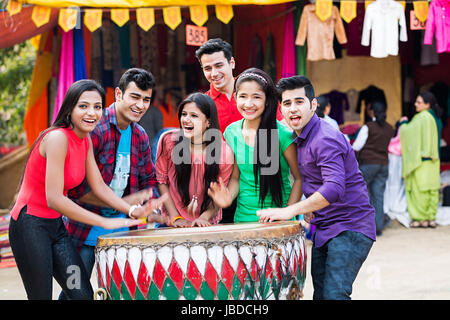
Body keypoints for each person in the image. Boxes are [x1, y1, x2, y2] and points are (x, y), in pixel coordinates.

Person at [8, 80, 164, 300]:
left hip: (55, 228)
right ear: (70, 108)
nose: (91, 113)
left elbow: (99, 186)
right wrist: (103, 222)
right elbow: (54, 199)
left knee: (81, 293)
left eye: (97, 107)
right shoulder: (57, 139)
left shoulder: (84, 141)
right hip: (30, 226)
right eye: (83, 106)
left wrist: (131, 211)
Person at [257, 75, 376, 300]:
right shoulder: (299, 137)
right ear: (280, 108)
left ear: (313, 105)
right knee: (321, 295)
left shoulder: (324, 138)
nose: (293, 108)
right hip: (325, 227)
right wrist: (310, 205)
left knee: (334, 294)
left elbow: (333, 188)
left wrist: (291, 210)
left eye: (299, 102)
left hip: (350, 226)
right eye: (287, 103)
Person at [61, 69, 168, 299]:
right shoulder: (95, 129)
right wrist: (125, 204)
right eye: (135, 97)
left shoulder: (139, 134)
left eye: (146, 99)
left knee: (123, 293)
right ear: (118, 94)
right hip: (86, 230)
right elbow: (77, 190)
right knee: (74, 292)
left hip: (123, 230)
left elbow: (149, 180)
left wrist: (155, 207)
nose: (140, 105)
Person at [208, 68, 302, 223]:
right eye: (243, 96)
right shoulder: (231, 132)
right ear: (235, 97)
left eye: (256, 97)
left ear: (267, 101)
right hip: (243, 221)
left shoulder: (284, 134)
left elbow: (299, 178)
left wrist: (287, 213)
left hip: (278, 223)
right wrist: (227, 198)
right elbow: (236, 178)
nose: (248, 103)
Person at [155, 93, 234, 227]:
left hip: (207, 222)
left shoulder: (224, 153)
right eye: (184, 114)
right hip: (171, 222)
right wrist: (176, 218)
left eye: (194, 116)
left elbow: (218, 195)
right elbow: (161, 181)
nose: (186, 119)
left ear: (208, 122)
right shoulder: (168, 141)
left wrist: (204, 218)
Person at [400, 91, 442, 228]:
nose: (415, 104)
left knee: (419, 191)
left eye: (419, 102)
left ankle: (420, 219)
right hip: (434, 160)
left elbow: (408, 133)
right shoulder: (435, 118)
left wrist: (404, 123)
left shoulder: (421, 118)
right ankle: (431, 218)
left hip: (421, 162)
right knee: (431, 190)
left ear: (427, 104)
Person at [352, 101, 395, 235]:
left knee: (360, 193)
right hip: (383, 164)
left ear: (372, 112)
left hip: (369, 164)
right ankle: (378, 227)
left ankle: (362, 225)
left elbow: (357, 147)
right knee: (378, 195)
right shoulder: (390, 128)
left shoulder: (368, 127)